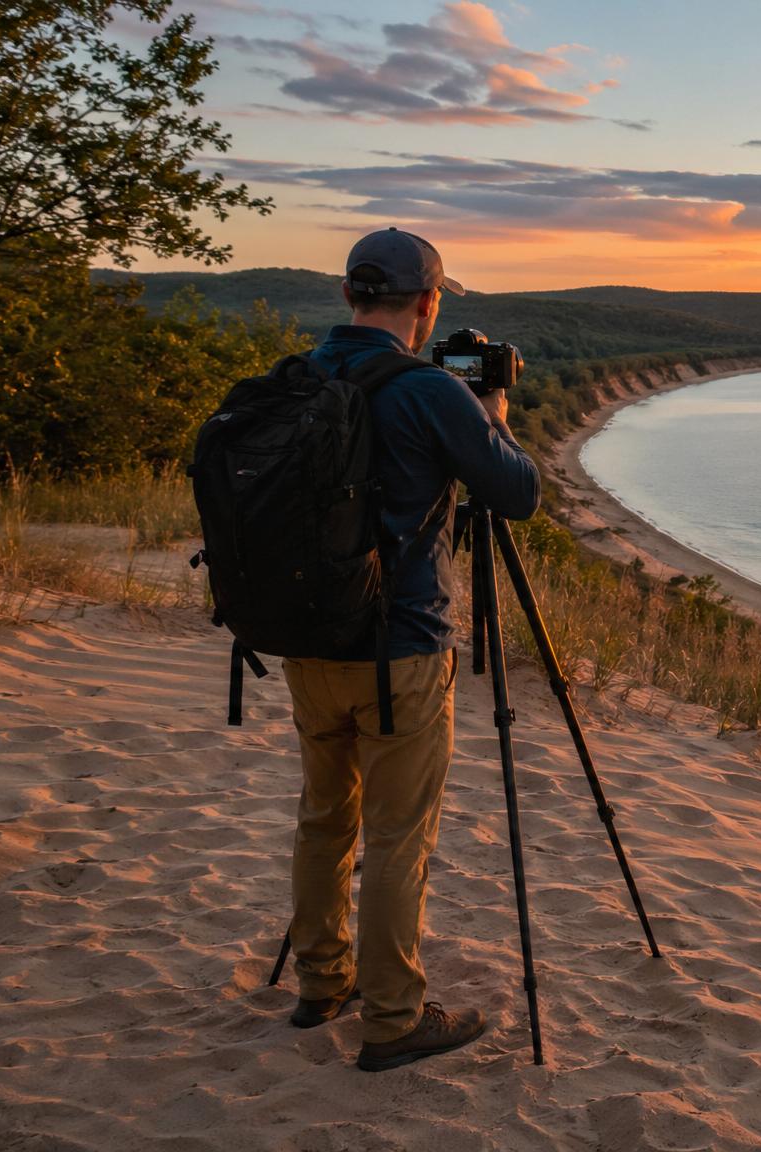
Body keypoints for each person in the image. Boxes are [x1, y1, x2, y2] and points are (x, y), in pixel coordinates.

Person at [281, 228, 539, 1072]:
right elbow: (518, 492)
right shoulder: (428, 388)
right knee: (397, 838)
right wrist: (491, 410)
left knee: (325, 819)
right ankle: (393, 1019)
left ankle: (323, 982)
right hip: (401, 647)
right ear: (426, 302)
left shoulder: (300, 375)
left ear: (352, 295)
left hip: (307, 640)